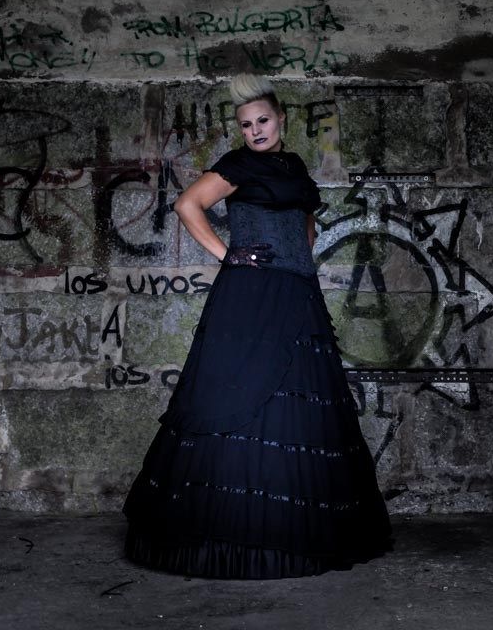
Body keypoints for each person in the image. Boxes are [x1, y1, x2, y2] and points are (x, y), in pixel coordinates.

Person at [121, 74, 393, 579]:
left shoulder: (295, 167)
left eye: (263, 121)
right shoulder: (237, 164)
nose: (255, 131)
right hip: (249, 296)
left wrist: (300, 267)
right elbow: (187, 204)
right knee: (237, 388)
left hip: (297, 294)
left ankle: (295, 530)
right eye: (246, 125)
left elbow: (305, 227)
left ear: (281, 119)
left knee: (299, 398)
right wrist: (228, 255)